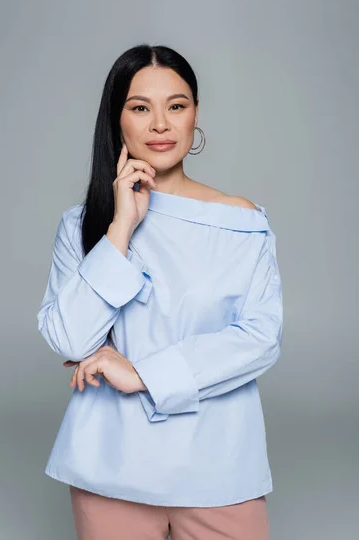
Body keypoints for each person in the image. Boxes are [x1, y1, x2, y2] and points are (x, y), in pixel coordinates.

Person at [37, 43, 283, 540]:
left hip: (219, 464)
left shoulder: (243, 222)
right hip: (110, 463)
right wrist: (121, 228)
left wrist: (142, 372)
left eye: (176, 105)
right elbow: (68, 339)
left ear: (195, 116)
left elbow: (260, 339)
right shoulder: (84, 226)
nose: (161, 125)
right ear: (117, 120)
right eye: (140, 108)